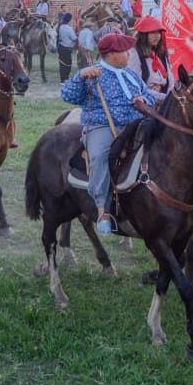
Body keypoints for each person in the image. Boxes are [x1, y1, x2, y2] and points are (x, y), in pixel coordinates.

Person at [61, 32, 157, 235]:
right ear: (112, 54)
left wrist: (143, 100)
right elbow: (67, 95)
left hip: (136, 123)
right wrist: (80, 76)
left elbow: (148, 94)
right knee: (100, 157)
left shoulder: (130, 74)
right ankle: (102, 210)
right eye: (125, 51)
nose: (129, 54)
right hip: (103, 126)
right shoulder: (93, 74)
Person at [126, 15, 172, 98]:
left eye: (158, 32)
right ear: (143, 35)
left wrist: (168, 96)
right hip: (145, 99)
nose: (157, 36)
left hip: (164, 98)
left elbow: (170, 80)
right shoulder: (135, 54)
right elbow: (135, 84)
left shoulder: (160, 54)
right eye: (153, 32)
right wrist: (158, 95)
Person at [56, 14, 77, 83]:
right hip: (67, 48)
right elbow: (74, 38)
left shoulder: (61, 27)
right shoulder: (69, 28)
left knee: (62, 64)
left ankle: (62, 80)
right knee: (67, 64)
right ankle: (65, 79)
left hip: (61, 47)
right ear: (69, 20)